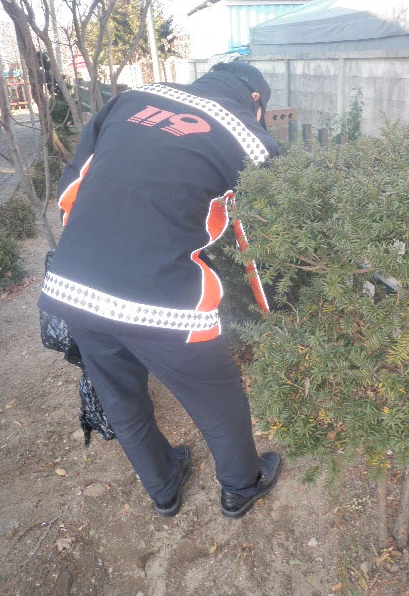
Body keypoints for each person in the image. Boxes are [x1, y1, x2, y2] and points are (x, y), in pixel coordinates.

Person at [38, 61, 282, 518]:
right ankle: (241, 486)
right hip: (165, 305)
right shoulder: (248, 137)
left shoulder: (131, 99)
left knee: (121, 398)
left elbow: (71, 187)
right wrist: (273, 310)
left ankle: (164, 489)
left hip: (75, 287)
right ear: (255, 101)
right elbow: (260, 237)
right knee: (218, 396)